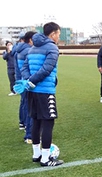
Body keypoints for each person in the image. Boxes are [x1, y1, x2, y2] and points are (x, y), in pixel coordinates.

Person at [15, 22, 64, 166]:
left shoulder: (32, 48)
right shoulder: (52, 48)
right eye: (58, 35)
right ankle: (46, 158)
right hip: (45, 91)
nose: (58, 38)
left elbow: (23, 67)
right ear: (53, 34)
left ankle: (36, 154)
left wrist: (29, 81)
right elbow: (46, 69)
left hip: (32, 91)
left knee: (36, 121)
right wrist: (33, 81)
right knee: (48, 122)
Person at [16, 31, 37, 144]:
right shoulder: (28, 50)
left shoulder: (19, 49)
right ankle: (29, 135)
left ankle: (23, 124)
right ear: (30, 40)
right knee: (30, 108)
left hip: (21, 82)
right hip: (26, 83)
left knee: (24, 104)